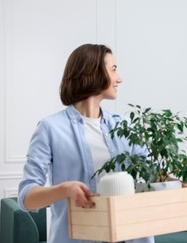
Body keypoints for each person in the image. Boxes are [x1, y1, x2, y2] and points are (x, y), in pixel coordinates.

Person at [18, 44, 154, 243]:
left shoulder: (124, 125)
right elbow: (26, 198)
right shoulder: (50, 128)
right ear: (94, 72)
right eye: (114, 69)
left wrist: (172, 179)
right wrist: (65, 189)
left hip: (131, 236)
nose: (119, 78)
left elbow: (151, 171)